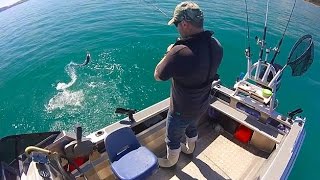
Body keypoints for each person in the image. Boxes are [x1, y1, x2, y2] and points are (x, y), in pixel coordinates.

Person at [154, 1, 223, 168]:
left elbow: (158, 75)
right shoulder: (216, 45)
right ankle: (190, 149)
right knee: (192, 128)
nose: (177, 28)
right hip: (202, 105)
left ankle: (170, 162)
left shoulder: (179, 52)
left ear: (184, 24)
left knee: (172, 138)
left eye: (177, 24)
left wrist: (170, 52)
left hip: (180, 110)